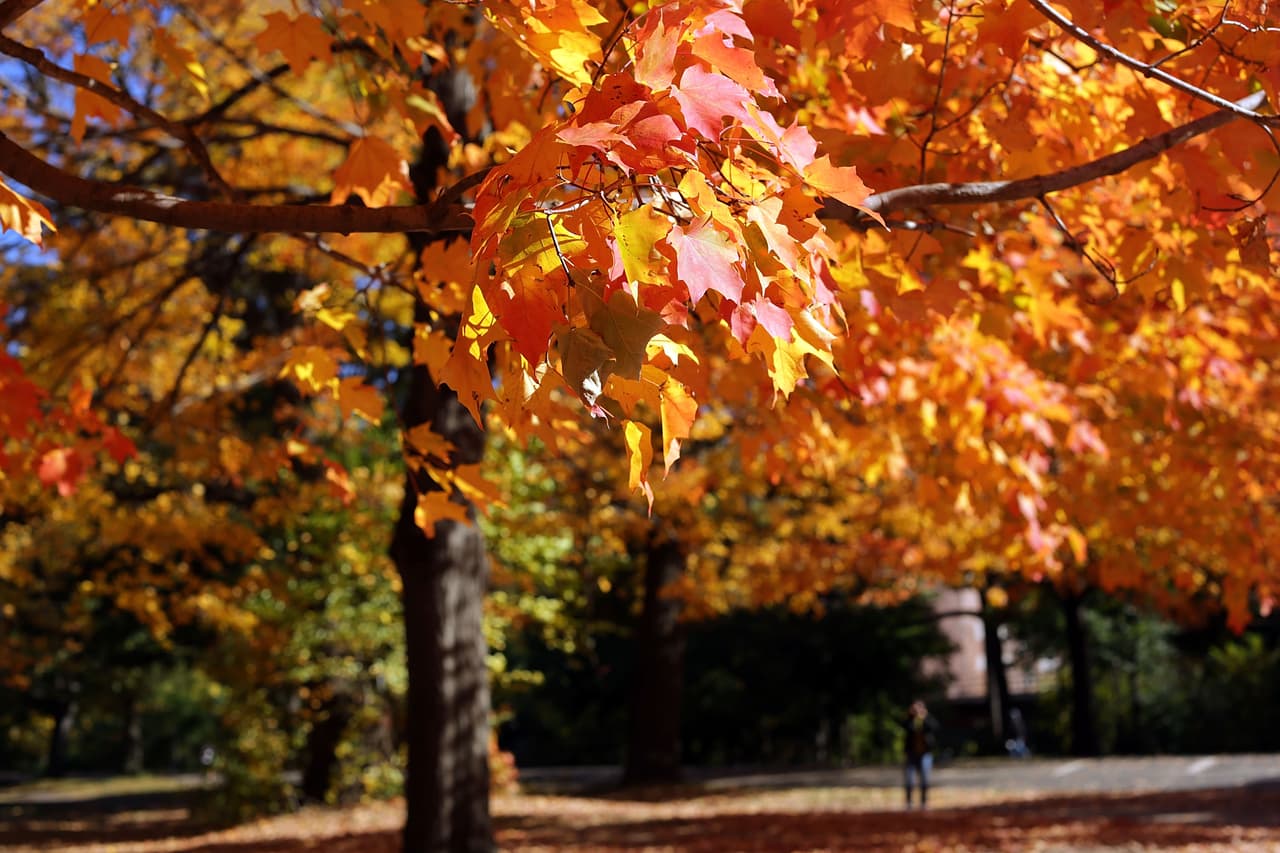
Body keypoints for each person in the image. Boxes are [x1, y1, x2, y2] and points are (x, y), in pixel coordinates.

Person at [902, 698, 939, 809]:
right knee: (909, 779)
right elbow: (905, 727)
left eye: (919, 708)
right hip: (911, 754)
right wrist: (911, 716)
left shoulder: (927, 720)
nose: (917, 710)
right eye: (914, 708)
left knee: (924, 779)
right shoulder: (909, 720)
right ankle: (909, 803)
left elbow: (934, 727)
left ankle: (923, 803)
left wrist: (925, 717)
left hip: (925, 754)